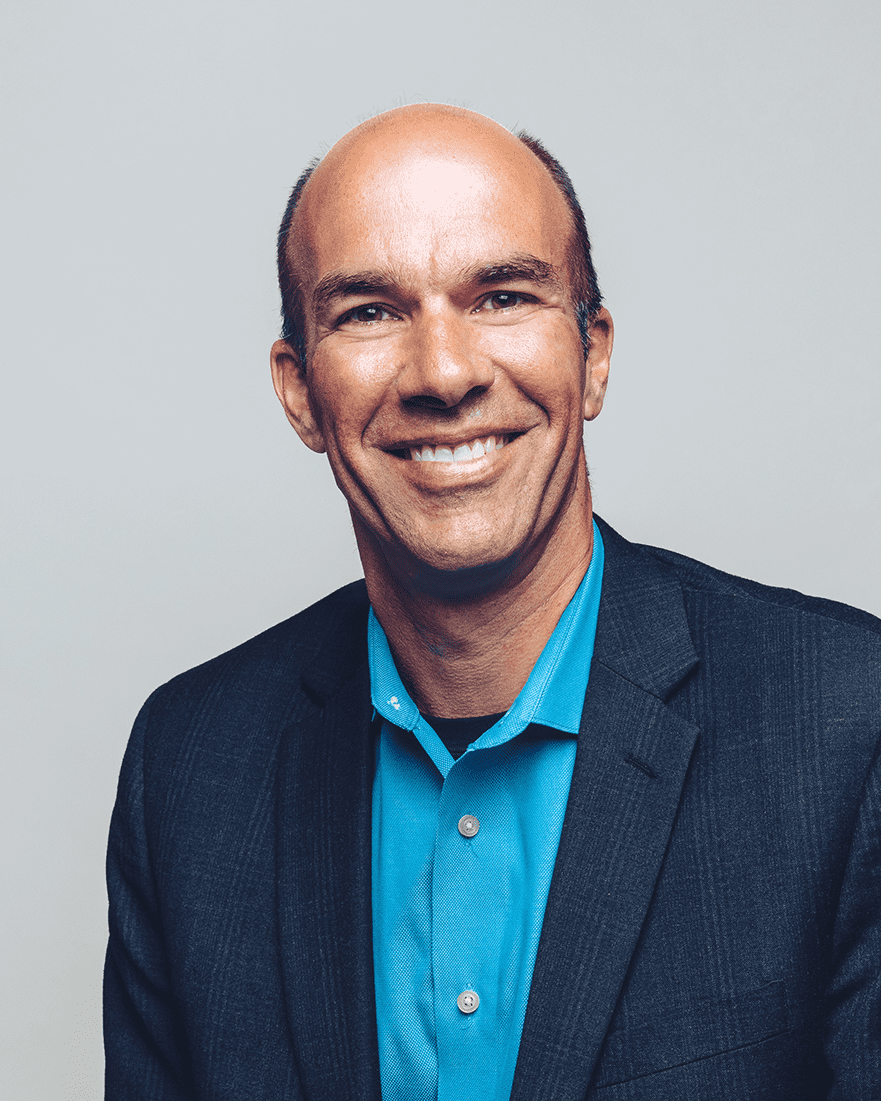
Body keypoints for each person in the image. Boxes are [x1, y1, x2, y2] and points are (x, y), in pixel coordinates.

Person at [104, 104, 881, 1099]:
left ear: (591, 354)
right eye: (369, 313)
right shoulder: (191, 770)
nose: (444, 373)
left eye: (501, 296)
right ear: (299, 392)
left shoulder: (845, 730)